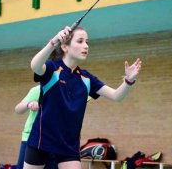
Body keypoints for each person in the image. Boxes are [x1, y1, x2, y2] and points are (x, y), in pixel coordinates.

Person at [25, 26, 142, 169]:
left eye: (87, 42)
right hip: (42, 141)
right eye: (80, 41)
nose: (86, 46)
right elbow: (35, 66)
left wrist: (129, 81)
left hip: (69, 145)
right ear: (64, 47)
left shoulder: (86, 78)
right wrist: (53, 42)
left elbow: (116, 96)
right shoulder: (52, 69)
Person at [15, 85, 58, 169]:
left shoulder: (67, 90)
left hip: (54, 141)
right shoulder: (37, 90)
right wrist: (28, 104)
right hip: (31, 138)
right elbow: (18, 109)